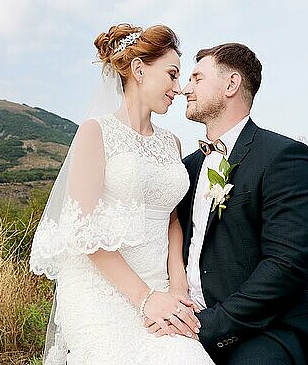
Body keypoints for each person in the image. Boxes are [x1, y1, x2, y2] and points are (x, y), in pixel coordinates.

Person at [29, 24, 214, 364]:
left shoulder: (170, 142)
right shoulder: (95, 132)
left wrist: (176, 285)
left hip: (159, 282)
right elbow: (82, 232)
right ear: (139, 70)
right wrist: (146, 299)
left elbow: (171, 218)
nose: (178, 87)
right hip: (103, 288)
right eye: (171, 75)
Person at [157, 43, 308, 364]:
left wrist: (206, 326)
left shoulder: (284, 158)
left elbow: (286, 267)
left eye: (196, 78)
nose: (184, 89)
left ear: (231, 85)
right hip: (188, 318)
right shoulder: (186, 168)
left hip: (267, 331)